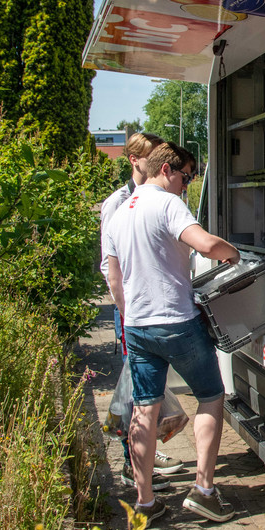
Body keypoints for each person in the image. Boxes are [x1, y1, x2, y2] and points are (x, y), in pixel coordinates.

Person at [104, 141, 241, 524]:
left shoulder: (119, 213)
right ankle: (204, 491)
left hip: (137, 327)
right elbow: (207, 244)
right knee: (210, 396)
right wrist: (234, 254)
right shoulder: (167, 204)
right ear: (166, 170)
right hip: (177, 321)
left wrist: (131, 317)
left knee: (144, 409)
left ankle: (145, 502)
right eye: (186, 176)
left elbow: (114, 280)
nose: (186, 184)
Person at [99, 133, 187, 489]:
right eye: (151, 155)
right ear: (135, 160)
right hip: (132, 311)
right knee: (136, 389)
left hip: (151, 309)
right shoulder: (119, 203)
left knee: (148, 387)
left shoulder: (159, 197)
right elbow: (109, 265)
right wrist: (126, 311)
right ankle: (130, 462)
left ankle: (145, 455)